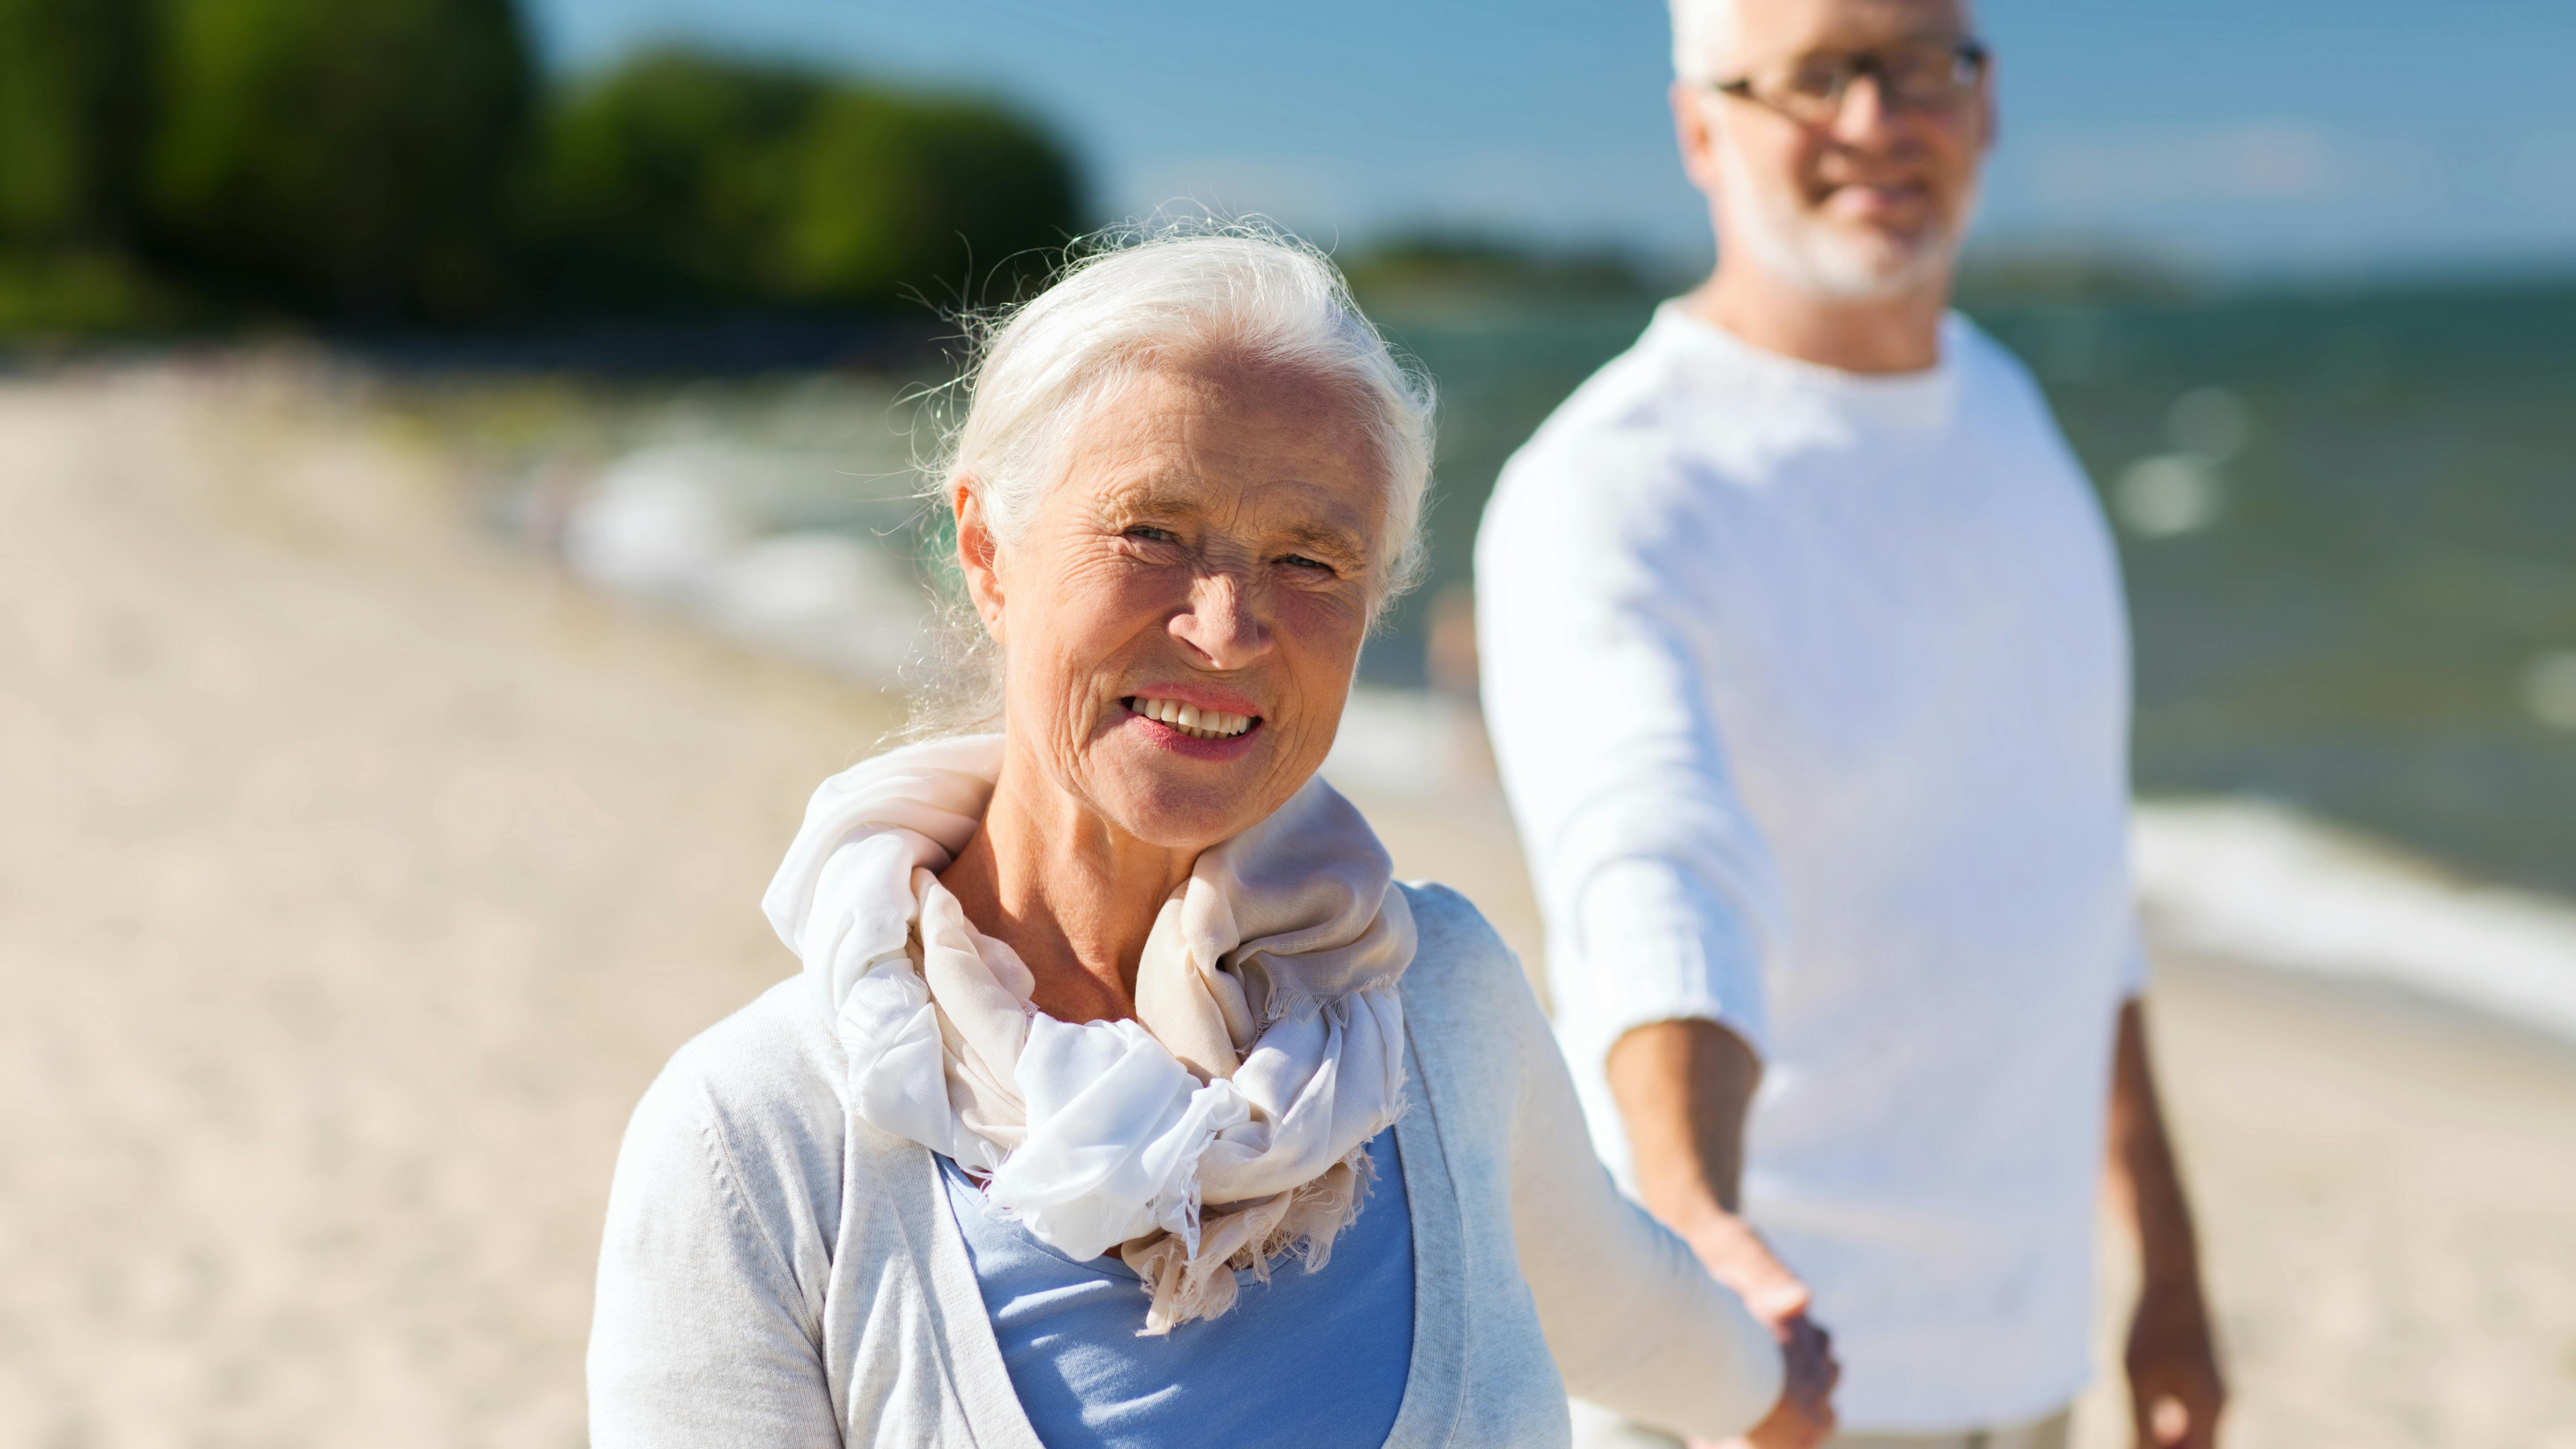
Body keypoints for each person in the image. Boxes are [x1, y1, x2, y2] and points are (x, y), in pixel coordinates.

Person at [585, 228, 1789, 1449]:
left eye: (1310, 558)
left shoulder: (1438, 1006)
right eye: (1152, 534)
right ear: (989, 555)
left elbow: (1619, 1301)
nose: (1227, 628)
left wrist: (1783, 1385)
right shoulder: (758, 1139)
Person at [1475, 2, 2227, 1447]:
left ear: (1988, 104)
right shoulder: (1612, 488)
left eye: (1920, 65)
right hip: (1745, 1363)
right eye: (1814, 76)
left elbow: (2079, 882)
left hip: (2027, 1367)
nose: (1877, 122)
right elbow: (1650, 869)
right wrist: (1696, 1223)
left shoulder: (2013, 426)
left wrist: (2171, 1267)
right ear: (1703, 129)